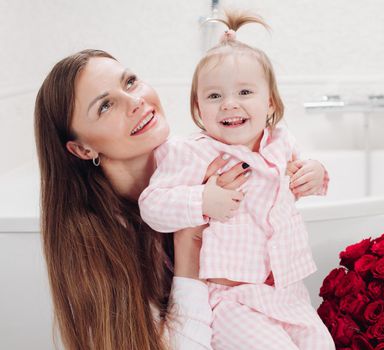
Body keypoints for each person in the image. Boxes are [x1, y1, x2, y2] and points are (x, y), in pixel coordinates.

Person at [139, 11, 336, 350]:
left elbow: (300, 183)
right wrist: (202, 200)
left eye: (245, 92)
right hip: (231, 299)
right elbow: (151, 205)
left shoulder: (281, 143)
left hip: (286, 292)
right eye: (214, 96)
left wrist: (315, 174)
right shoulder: (192, 152)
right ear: (198, 108)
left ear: (269, 101)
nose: (229, 104)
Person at [34, 49, 252, 350]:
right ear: (83, 150)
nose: (135, 101)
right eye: (106, 105)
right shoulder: (97, 241)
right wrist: (190, 233)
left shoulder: (202, 159)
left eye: (131, 82)